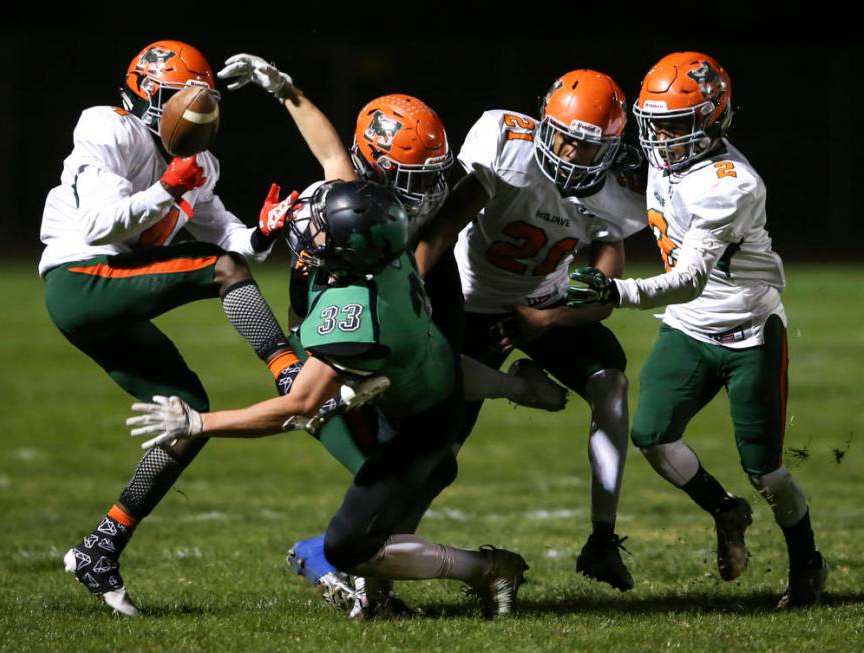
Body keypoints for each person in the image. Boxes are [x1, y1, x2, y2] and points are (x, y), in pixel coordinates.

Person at [217, 55, 569, 615]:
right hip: (338, 336)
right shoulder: (350, 215)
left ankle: (359, 569)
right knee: (401, 460)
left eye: (436, 173)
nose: (429, 188)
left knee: (427, 440)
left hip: (384, 325)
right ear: (374, 171)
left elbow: (429, 347)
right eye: (415, 178)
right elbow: (331, 155)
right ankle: (356, 566)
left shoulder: (395, 236)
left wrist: (288, 90)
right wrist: (288, 92)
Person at [127, 180, 530, 619]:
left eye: (319, 225)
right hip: (425, 387)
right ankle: (377, 596)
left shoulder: (353, 312)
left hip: (417, 426)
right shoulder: (388, 249)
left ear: (348, 251)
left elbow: (297, 405)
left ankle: (490, 567)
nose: (308, 226)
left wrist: (200, 423)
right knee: (390, 506)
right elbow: (343, 173)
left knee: (349, 546)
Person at [44, 40, 322, 616]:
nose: (200, 114)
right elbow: (99, 225)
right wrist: (167, 186)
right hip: (81, 276)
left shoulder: (202, 164)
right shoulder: (108, 128)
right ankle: (287, 370)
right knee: (222, 273)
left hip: (109, 295)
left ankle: (101, 547)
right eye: (185, 100)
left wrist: (263, 233)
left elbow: (229, 235)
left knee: (189, 415)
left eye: (207, 103)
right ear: (149, 94)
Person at [564, 51, 827, 608]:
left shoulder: (731, 185)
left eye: (677, 124)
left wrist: (617, 291)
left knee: (766, 469)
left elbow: (687, 280)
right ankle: (723, 509)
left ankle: (807, 559)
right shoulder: (664, 154)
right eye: (655, 123)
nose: (662, 137)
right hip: (688, 329)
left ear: (713, 119)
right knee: (652, 435)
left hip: (746, 330)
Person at [413, 70, 647, 592]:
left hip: (544, 306)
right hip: (470, 309)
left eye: (584, 143)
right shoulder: (508, 147)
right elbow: (445, 225)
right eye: (560, 132)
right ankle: (377, 555)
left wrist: (547, 319)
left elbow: (601, 296)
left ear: (609, 149)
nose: (565, 148)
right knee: (437, 451)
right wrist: (413, 288)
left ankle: (602, 539)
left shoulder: (615, 193)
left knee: (611, 384)